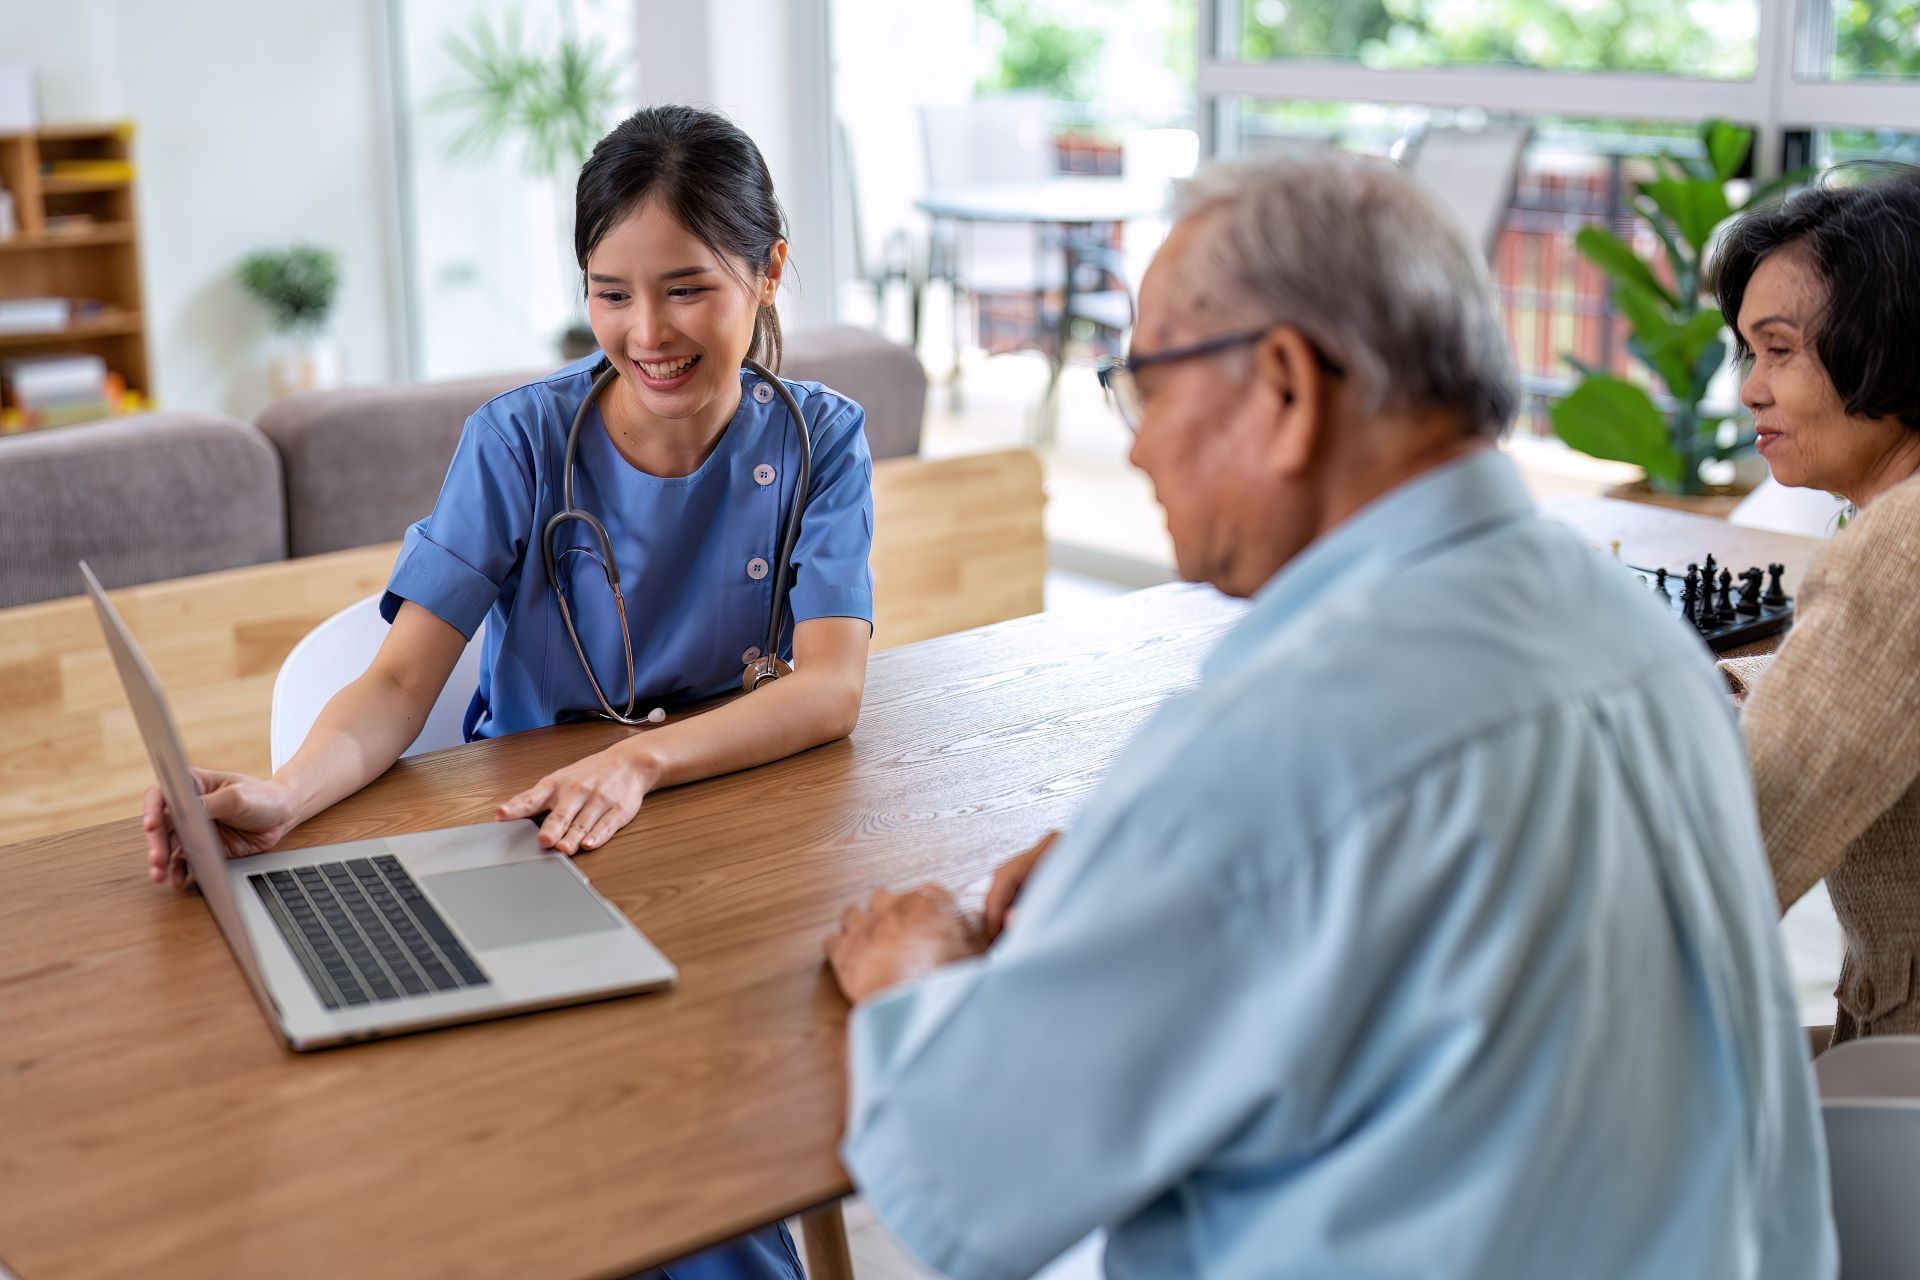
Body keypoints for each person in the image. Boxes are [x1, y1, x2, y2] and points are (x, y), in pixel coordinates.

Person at [822, 152, 1833, 1279]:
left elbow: (963, 1175)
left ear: (1288, 389)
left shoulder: (1274, 744)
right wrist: (1152, 876)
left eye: (1148, 382)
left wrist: (918, 967)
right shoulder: (1645, 644)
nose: (1139, 441)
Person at [139, 105, 874, 1280]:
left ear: (770, 271)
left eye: (688, 289)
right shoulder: (521, 440)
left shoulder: (821, 439)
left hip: (737, 850)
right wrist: (283, 794)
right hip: (546, 854)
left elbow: (832, 685)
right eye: (611, 292)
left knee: (722, 1141)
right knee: (592, 1157)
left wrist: (640, 758)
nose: (648, 332)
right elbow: (394, 684)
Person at [1712, 168, 1920, 1050]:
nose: (1751, 389)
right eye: (1748, 354)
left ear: (1888, 344)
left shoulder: (1900, 548)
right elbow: (1879, 683)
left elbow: (1736, 847)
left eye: (1781, 349)